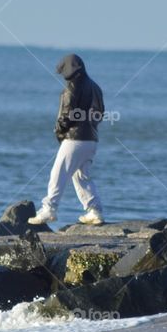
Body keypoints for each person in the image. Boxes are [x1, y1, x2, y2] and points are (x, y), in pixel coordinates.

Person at [29, 54, 106, 226]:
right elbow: (100, 113)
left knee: (58, 173)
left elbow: (67, 114)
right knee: (81, 176)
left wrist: (59, 130)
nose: (63, 75)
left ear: (69, 69)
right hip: (91, 139)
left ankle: (49, 209)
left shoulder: (73, 87)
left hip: (74, 139)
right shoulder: (95, 87)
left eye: (63, 71)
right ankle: (95, 211)